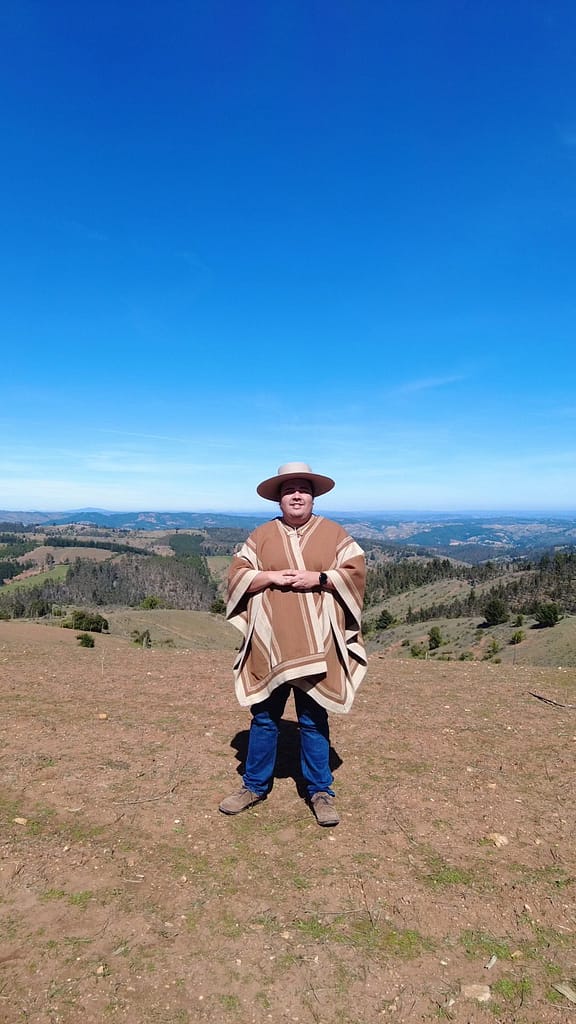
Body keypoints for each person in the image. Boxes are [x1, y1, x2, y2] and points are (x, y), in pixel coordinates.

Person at [219, 462, 367, 826]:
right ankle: (254, 785)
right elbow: (237, 576)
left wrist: (319, 578)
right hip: (269, 643)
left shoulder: (333, 533)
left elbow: (355, 572)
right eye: (289, 491)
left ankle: (320, 791)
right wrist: (269, 576)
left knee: (313, 719)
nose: (296, 496)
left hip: (318, 643)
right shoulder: (261, 535)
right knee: (264, 718)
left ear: (313, 497)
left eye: (303, 490)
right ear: (279, 499)